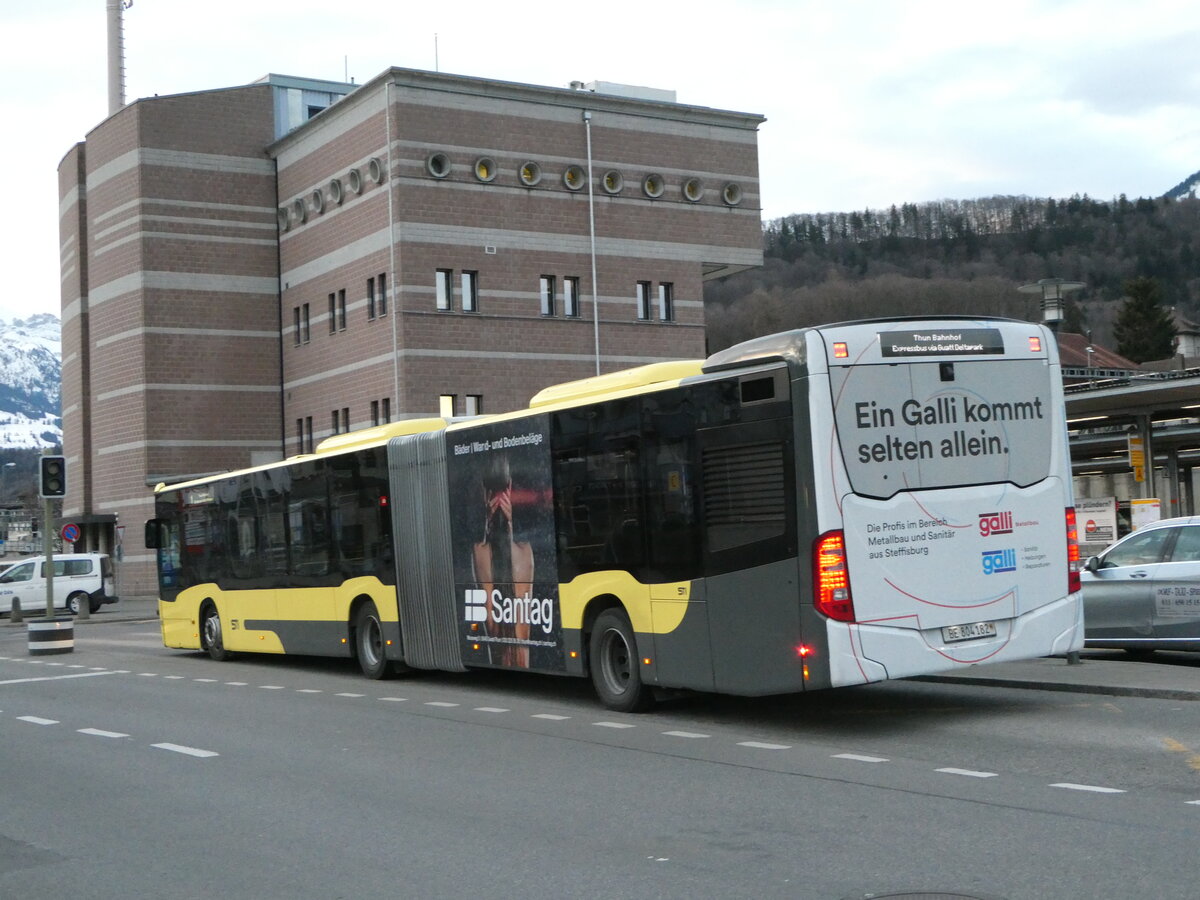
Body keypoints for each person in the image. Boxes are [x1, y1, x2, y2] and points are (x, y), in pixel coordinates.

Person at [473, 455, 534, 667]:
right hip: (523, 661)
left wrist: (488, 523)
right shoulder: (526, 554)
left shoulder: (479, 553)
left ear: (485, 495)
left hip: (498, 660)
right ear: (510, 488)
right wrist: (510, 526)